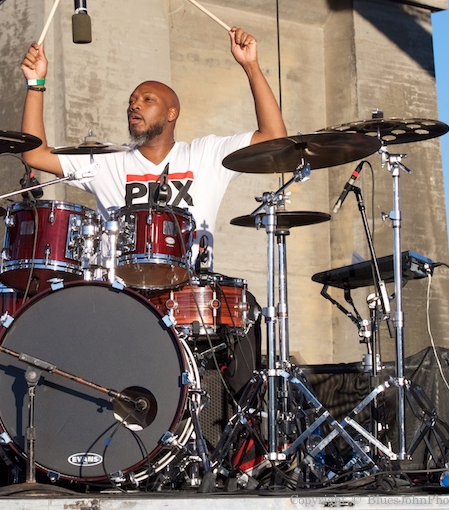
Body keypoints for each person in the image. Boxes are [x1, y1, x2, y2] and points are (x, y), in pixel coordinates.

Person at [18, 26, 287, 399]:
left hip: (192, 288)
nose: (134, 105)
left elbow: (273, 138)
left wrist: (251, 66)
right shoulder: (107, 162)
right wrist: (37, 84)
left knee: (245, 310)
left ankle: (243, 438)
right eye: (131, 101)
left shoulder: (205, 155)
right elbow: (34, 154)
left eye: (146, 100)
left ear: (171, 112)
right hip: (124, 294)